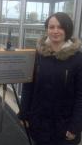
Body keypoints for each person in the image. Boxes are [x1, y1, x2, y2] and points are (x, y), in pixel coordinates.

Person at [18, 12, 82, 145]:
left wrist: (75, 126)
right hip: (39, 123)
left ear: (67, 29)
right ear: (47, 29)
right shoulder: (38, 55)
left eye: (60, 27)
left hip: (64, 127)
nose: (55, 31)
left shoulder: (77, 58)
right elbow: (28, 86)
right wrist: (24, 113)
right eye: (51, 27)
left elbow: (80, 96)